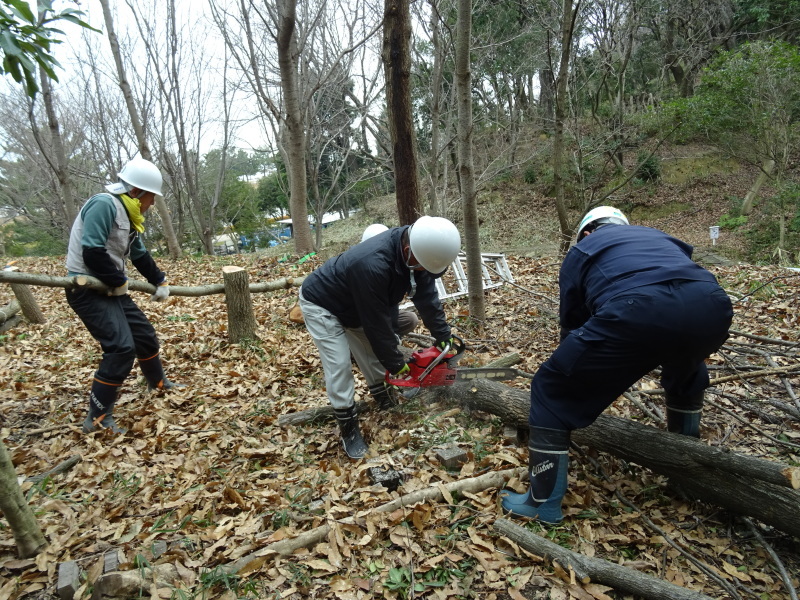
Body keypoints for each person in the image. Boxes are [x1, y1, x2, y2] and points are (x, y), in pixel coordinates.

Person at [501, 206, 733, 523]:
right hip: (710, 305)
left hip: (638, 307)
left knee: (551, 386)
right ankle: (685, 473)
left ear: (586, 232)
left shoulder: (584, 249)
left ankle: (542, 503)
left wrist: (571, 372)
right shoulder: (658, 236)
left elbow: (573, 325)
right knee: (687, 368)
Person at [299, 216, 461, 459]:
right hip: (323, 303)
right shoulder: (372, 264)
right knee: (340, 365)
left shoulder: (422, 252)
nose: (423, 271)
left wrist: (442, 335)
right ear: (408, 250)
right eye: (421, 266)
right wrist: (397, 363)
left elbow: (427, 298)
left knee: (372, 355)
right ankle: (348, 429)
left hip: (357, 304)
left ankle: (383, 397)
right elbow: (377, 322)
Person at [66, 157, 183, 435]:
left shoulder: (128, 214)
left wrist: (159, 280)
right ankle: (96, 419)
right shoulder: (103, 205)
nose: (152, 204)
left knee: (144, 335)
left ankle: (157, 383)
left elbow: (139, 254)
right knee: (120, 348)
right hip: (86, 290)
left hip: (110, 288)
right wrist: (119, 282)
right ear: (136, 192)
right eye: (151, 197)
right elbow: (92, 251)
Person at [360, 223, 419, 337]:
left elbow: (392, 303)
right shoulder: (362, 268)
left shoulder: (393, 264)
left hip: (382, 313)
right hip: (360, 317)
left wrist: (394, 333)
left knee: (410, 319)